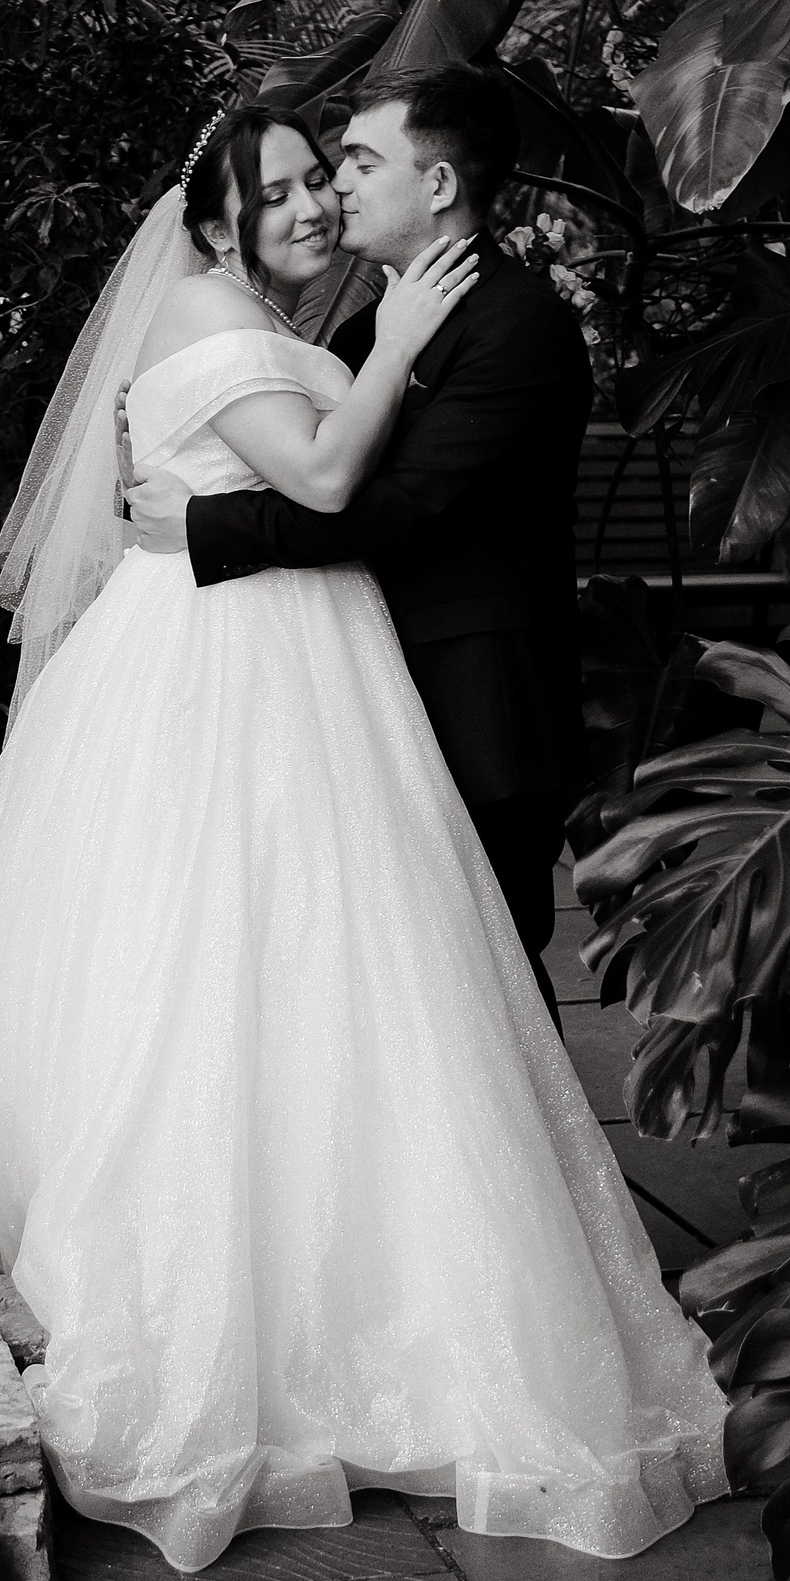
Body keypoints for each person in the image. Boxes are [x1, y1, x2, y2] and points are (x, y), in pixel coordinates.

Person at [0, 103, 726, 1574]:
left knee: (401, 974)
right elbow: (337, 479)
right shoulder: (261, 323)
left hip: (363, 665)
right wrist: (385, 353)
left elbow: (369, 493)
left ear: (437, 181)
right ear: (218, 221)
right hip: (243, 670)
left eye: (335, 173)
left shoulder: (478, 322)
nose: (318, 202)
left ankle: (442, 1254)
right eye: (285, 186)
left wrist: (231, 505)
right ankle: (296, 1281)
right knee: (239, 952)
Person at [130, 65, 591, 1019]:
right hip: (345, 687)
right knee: (382, 977)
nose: (334, 187)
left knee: (490, 975)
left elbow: (399, 506)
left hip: (477, 694)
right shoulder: (358, 337)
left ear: (438, 184)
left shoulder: (520, 324)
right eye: (309, 176)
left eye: (356, 164)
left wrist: (206, 524)